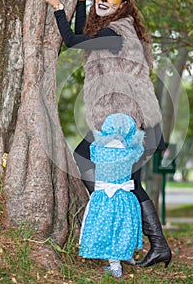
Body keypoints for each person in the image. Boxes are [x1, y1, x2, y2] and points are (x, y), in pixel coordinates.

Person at [38, 0, 172, 268]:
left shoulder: (115, 33)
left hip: (124, 121)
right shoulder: (117, 30)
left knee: (91, 161)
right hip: (125, 118)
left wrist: (60, 7)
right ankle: (155, 244)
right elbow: (87, 35)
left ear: (123, 4)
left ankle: (127, 228)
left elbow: (74, 41)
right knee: (128, 182)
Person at [79, 113, 144, 278]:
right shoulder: (130, 152)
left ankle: (115, 265)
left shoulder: (98, 150)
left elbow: (86, 151)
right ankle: (123, 256)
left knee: (107, 228)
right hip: (123, 197)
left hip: (103, 198)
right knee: (122, 227)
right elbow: (139, 147)